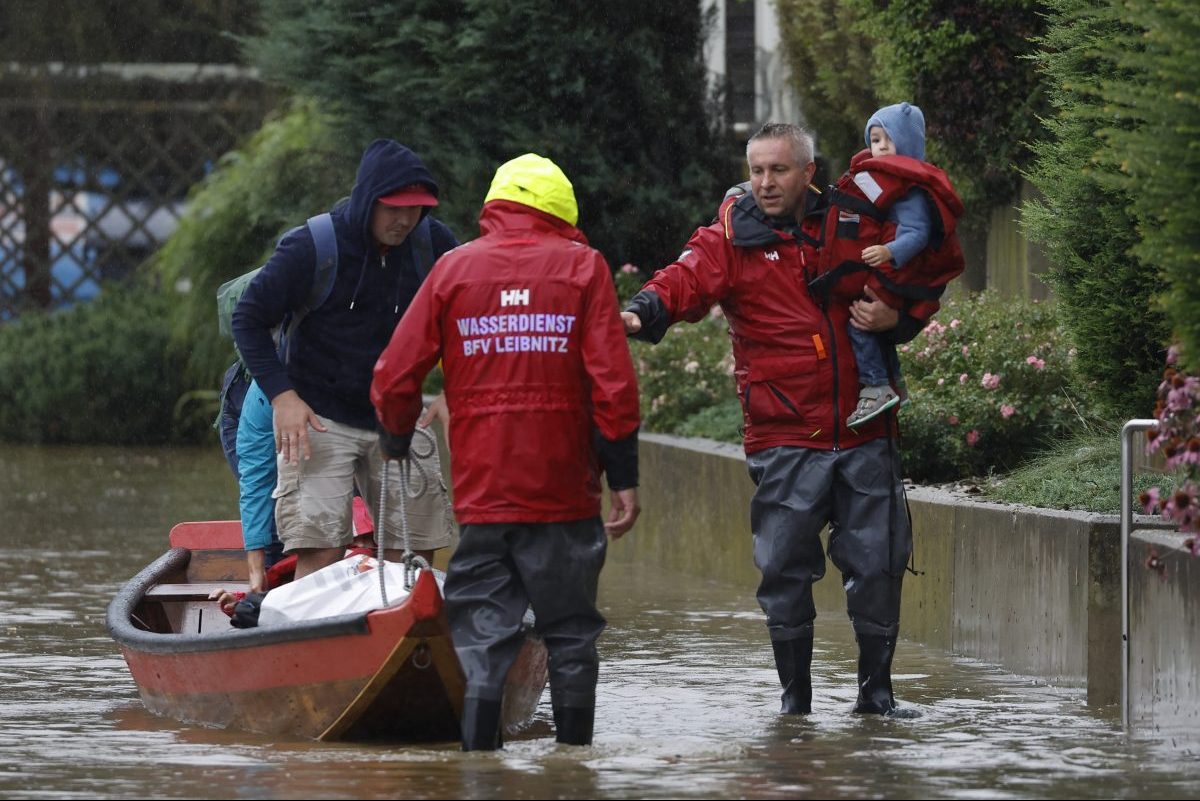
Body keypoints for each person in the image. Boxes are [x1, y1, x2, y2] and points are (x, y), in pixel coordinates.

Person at [621, 123, 916, 716]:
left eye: (778, 170)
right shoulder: (732, 235)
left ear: (809, 172)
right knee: (782, 571)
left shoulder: (853, 219)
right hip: (784, 435)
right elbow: (686, 278)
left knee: (880, 565)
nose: (765, 182)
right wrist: (641, 309)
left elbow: (918, 266)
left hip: (865, 429)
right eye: (756, 170)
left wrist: (898, 312)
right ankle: (795, 703)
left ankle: (877, 697)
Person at [371, 153, 641, 750]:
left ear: (496, 207)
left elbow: (394, 374)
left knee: (482, 637)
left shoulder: (452, 270)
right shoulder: (583, 268)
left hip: (484, 493)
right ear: (561, 213)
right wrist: (623, 474)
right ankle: (575, 772)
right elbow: (614, 386)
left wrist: (394, 437)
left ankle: (479, 770)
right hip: (565, 494)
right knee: (571, 634)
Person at [232, 139, 458, 580]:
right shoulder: (310, 247)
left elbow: (467, 319)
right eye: (393, 208)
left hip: (399, 415)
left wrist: (456, 391)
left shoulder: (435, 246)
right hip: (319, 417)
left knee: (414, 550)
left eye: (416, 209)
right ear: (367, 200)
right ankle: (312, 635)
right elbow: (248, 319)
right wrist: (283, 396)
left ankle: (398, 633)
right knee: (320, 550)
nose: (405, 220)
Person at [835, 102, 965, 428]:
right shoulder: (892, 180)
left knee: (860, 324)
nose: (878, 147)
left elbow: (917, 233)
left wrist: (889, 252)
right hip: (891, 268)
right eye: (874, 140)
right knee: (876, 329)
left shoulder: (911, 190)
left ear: (906, 144)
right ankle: (895, 384)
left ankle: (876, 387)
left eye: (886, 140)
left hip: (897, 270)